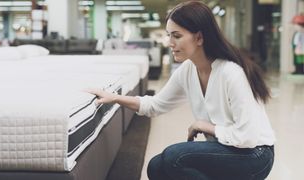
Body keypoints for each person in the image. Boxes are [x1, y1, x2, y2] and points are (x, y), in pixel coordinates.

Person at [86, 1, 275, 179]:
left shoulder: (231, 73)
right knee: (156, 167)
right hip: (227, 148)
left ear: (199, 37)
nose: (170, 43)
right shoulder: (188, 70)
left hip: (255, 155)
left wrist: (205, 126)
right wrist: (115, 98)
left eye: (176, 36)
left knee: (174, 157)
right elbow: (155, 105)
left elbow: (248, 138)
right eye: (169, 35)